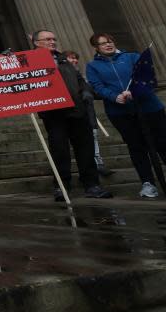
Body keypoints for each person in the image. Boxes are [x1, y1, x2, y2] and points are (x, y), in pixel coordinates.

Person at [32, 29, 112, 201]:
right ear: (36, 43)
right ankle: (62, 187)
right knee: (60, 151)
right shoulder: (30, 61)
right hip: (54, 115)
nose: (52, 42)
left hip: (77, 111)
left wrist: (86, 92)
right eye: (47, 39)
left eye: (53, 38)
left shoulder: (63, 60)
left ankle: (92, 185)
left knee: (86, 149)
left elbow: (80, 79)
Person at [86, 33, 166, 199]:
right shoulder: (93, 66)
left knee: (162, 142)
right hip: (121, 112)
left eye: (110, 41)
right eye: (103, 43)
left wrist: (135, 91)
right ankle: (147, 183)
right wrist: (115, 96)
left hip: (149, 108)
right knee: (136, 147)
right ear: (96, 48)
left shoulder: (132, 57)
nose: (108, 45)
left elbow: (146, 76)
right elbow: (97, 87)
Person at [65, 50, 113, 178]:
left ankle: (99, 165)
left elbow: (97, 94)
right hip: (72, 117)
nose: (75, 61)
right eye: (71, 58)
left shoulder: (84, 79)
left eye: (75, 58)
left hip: (89, 116)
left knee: (93, 141)